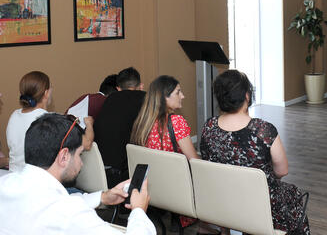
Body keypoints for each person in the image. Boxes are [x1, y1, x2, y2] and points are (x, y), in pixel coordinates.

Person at [0, 113, 155, 234]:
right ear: (64, 156)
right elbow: (65, 208)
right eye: (80, 154)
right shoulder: (70, 214)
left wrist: (103, 197)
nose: (81, 163)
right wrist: (139, 211)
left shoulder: (5, 183)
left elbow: (56, 202)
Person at [200, 70, 310, 235]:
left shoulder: (209, 127)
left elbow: (208, 161)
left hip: (222, 198)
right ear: (246, 96)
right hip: (259, 202)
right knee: (292, 194)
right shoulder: (263, 130)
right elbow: (282, 171)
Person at [131, 75, 208, 232]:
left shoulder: (142, 122)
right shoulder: (176, 122)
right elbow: (195, 161)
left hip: (153, 187)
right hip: (176, 189)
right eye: (178, 92)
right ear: (164, 97)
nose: (183, 96)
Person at [6, 71, 94, 172]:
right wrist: (89, 123)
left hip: (14, 176)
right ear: (46, 93)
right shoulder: (50, 120)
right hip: (37, 180)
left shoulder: (14, 115)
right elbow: (87, 144)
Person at [94, 67, 146, 187]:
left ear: (118, 88)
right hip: (123, 174)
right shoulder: (146, 99)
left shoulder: (110, 99)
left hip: (100, 170)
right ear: (141, 86)